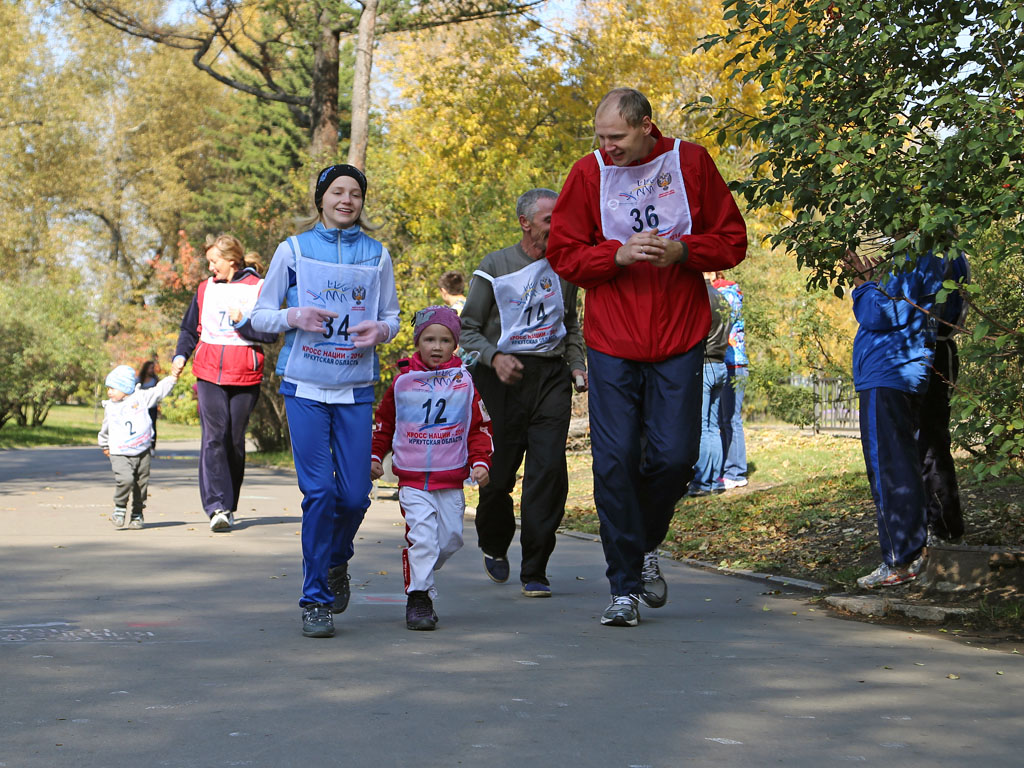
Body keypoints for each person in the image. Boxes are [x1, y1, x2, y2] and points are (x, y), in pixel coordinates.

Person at [546, 87, 747, 626]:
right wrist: (616, 255)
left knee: (675, 458)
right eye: (600, 137)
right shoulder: (588, 174)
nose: (606, 146)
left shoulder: (691, 161)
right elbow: (563, 254)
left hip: (679, 338)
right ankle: (624, 589)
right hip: (612, 341)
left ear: (645, 126)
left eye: (616, 137)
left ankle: (640, 542)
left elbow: (732, 240)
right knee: (613, 462)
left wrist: (685, 250)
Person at [250, 163, 400, 639]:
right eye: (338, 191)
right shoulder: (293, 250)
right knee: (319, 494)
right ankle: (315, 599)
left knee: (355, 495)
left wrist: (380, 330)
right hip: (304, 386)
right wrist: (294, 315)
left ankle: (337, 560)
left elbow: (392, 317)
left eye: (355, 193)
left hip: (355, 387)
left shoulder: (377, 255)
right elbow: (260, 315)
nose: (347, 200)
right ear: (321, 198)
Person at [459, 188, 587, 598]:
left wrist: (577, 363)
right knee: (497, 478)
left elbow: (571, 326)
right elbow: (467, 330)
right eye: (550, 219)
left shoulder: (566, 268)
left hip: (549, 378)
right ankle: (494, 542)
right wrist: (494, 357)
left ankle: (536, 568)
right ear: (525, 223)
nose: (558, 225)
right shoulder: (495, 266)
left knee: (548, 474)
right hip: (501, 379)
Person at [371, 306, 493, 630]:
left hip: (450, 478)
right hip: (412, 481)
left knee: (450, 540)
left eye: (444, 340)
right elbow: (384, 424)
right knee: (423, 540)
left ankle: (419, 567)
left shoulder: (464, 383)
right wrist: (374, 456)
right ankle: (419, 599)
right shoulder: (403, 383)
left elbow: (479, 428)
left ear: (455, 345)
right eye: (429, 339)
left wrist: (481, 462)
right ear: (417, 342)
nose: (436, 347)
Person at [845, 247, 949, 589]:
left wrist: (863, 285)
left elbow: (884, 312)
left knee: (888, 467)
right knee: (900, 463)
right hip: (898, 371)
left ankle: (900, 559)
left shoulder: (918, 256)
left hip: (888, 372)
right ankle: (909, 551)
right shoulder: (933, 256)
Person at [173, 234, 278, 533]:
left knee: (234, 440)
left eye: (214, 262)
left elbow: (271, 334)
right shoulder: (205, 289)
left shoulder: (258, 288)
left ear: (231, 260)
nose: (210, 268)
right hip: (208, 373)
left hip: (245, 374)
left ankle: (229, 503)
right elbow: (189, 328)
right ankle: (217, 506)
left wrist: (244, 320)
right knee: (213, 437)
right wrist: (181, 354)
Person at [921, 254, 970, 545]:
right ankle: (935, 522)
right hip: (931, 350)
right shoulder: (943, 253)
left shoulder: (942, 256)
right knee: (924, 444)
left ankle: (945, 527)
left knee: (932, 445)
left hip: (936, 350)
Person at [98, 361, 182, 529]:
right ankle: (120, 507)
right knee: (126, 480)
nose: (109, 392)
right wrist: (104, 444)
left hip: (142, 451)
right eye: (108, 388)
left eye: (113, 388)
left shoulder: (141, 398)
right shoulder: (111, 407)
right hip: (119, 451)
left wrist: (172, 378)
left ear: (125, 387)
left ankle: (137, 513)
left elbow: (158, 391)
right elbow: (106, 427)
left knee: (140, 485)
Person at [689, 273, 731, 495]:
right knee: (713, 427)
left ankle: (702, 483)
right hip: (720, 364)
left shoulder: (700, 296)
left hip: (704, 364)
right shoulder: (722, 298)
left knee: (703, 427)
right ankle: (715, 480)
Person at [712, 272, 749, 488]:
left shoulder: (728, 292)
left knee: (731, 419)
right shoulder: (716, 291)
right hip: (720, 363)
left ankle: (736, 472)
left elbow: (725, 320)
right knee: (721, 420)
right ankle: (725, 469)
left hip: (734, 364)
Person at [136, 360, 160, 453]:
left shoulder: (154, 380)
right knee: (141, 425)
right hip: (141, 406)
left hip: (152, 406)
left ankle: (152, 446)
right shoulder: (139, 380)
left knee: (152, 425)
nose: (152, 370)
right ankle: (140, 444)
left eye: (153, 368)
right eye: (150, 368)